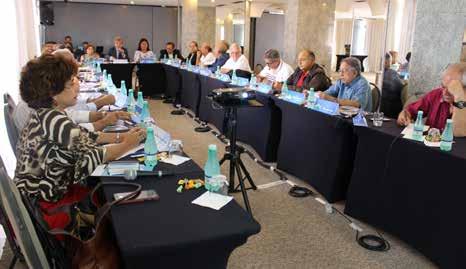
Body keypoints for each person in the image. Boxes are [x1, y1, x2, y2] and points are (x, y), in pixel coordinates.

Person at [14, 54, 146, 235]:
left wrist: (122, 136)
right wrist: (128, 143)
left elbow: (86, 136)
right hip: (45, 210)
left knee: (103, 187)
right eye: (71, 83)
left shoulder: (45, 114)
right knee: (119, 207)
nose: (78, 85)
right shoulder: (53, 120)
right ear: (53, 93)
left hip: (33, 201)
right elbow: (98, 154)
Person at [397, 63, 466, 132]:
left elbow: (458, 131)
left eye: (451, 89)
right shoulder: (436, 94)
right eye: (443, 86)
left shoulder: (460, 99)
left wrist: (459, 97)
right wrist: (405, 114)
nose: (444, 93)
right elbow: (411, 110)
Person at [381, 52, 404, 118]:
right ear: (387, 62)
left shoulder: (380, 72)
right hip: (391, 105)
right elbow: (400, 87)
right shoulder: (392, 72)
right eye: (390, 61)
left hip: (382, 104)